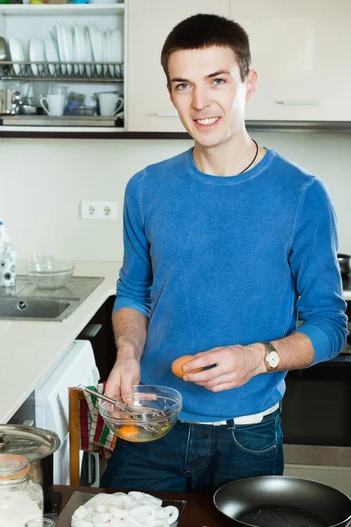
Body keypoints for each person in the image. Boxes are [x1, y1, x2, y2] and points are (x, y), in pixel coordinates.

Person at [100, 13, 348, 493]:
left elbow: (331, 325)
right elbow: (133, 291)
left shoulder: (302, 195)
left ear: (247, 83)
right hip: (152, 423)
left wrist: (258, 358)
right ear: (170, 93)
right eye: (182, 85)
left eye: (217, 80)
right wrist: (127, 353)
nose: (200, 102)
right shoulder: (147, 188)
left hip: (249, 436)